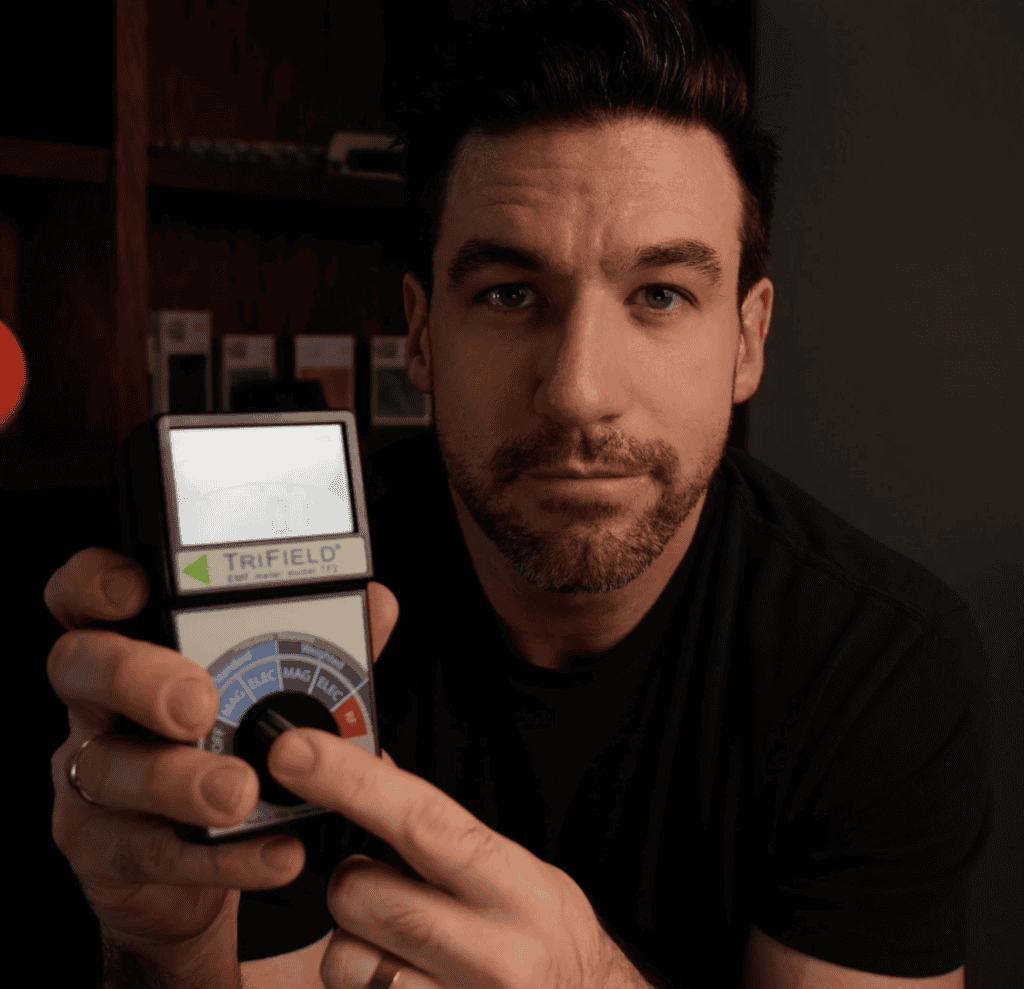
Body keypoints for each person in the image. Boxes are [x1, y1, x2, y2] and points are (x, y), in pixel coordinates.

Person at [46, 2, 991, 987]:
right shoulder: (297, 581)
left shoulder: (880, 662)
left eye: (660, 294)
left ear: (747, 339)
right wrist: (172, 948)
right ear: (419, 332)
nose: (578, 390)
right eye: (508, 293)